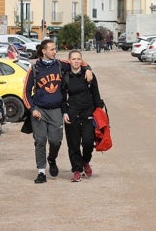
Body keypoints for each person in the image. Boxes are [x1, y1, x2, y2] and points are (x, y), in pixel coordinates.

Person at [24, 40, 92, 184]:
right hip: (40, 110)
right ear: (43, 51)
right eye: (52, 49)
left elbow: (79, 62)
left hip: (56, 110)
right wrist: (32, 109)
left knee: (55, 141)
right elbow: (25, 92)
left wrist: (89, 69)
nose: (55, 52)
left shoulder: (60, 64)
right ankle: (41, 172)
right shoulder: (34, 68)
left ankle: (52, 159)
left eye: (55, 49)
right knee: (40, 140)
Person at [61, 50, 104, 182]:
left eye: (78, 59)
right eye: (73, 59)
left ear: (82, 60)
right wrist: (64, 112)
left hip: (88, 113)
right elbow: (62, 98)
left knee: (88, 142)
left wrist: (99, 111)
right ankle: (77, 170)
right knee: (73, 145)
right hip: (72, 113)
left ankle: (85, 162)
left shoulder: (89, 75)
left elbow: (96, 95)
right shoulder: (65, 77)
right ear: (69, 61)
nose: (76, 61)